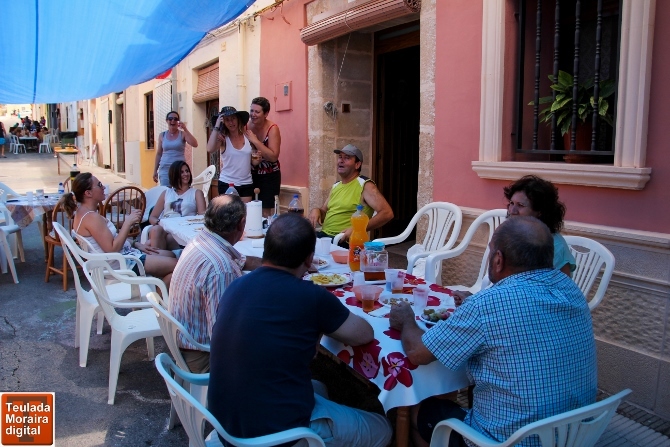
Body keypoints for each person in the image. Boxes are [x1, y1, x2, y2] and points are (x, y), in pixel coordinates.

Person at [389, 217, 597, 447]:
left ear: (498, 260)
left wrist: (407, 319)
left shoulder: (489, 304)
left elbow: (417, 353)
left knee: (418, 410)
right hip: (575, 435)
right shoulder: (571, 289)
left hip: (505, 442)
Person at [208, 213, 393, 446]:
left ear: (266, 249)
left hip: (224, 423)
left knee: (319, 387)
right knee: (384, 429)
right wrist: (320, 324)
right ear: (309, 259)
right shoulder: (311, 296)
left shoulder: (236, 285)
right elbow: (364, 334)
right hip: (277, 436)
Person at [168, 194, 262, 373]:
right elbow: (224, 338)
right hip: (202, 358)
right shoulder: (222, 270)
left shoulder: (202, 240)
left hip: (184, 344)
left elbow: (241, 260)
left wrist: (280, 265)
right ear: (242, 223)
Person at [453, 175, 577, 305]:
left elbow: (552, 297)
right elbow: (505, 286)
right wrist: (474, 300)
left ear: (540, 211)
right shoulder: (516, 236)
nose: (512, 210)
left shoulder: (553, 245)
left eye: (520, 205)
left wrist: (478, 303)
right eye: (511, 203)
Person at [62, 173, 178, 287]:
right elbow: (112, 249)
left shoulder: (83, 213)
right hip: (122, 265)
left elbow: (110, 239)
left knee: (171, 255)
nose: (103, 187)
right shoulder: (91, 218)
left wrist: (136, 243)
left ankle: (157, 288)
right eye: (99, 185)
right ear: (88, 193)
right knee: (178, 266)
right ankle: (156, 294)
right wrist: (128, 222)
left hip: (120, 258)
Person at [309, 144, 393, 247]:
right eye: (340, 157)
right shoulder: (336, 186)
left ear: (357, 164)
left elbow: (387, 213)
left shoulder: (365, 185)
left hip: (344, 241)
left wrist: (358, 229)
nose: (341, 160)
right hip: (324, 237)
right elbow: (324, 212)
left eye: (347, 158)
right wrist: (316, 210)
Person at [147, 161, 206, 251]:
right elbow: (152, 217)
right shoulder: (166, 193)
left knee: (160, 240)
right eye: (182, 172)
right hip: (165, 228)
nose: (186, 174)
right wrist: (160, 223)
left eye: (187, 171)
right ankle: (159, 256)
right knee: (156, 230)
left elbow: (202, 216)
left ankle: (155, 255)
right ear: (174, 175)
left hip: (182, 229)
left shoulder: (196, 193)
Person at [207, 106, 258, 201]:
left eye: (233, 118)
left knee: (245, 210)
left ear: (238, 119)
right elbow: (210, 148)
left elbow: (252, 161)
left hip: (246, 183)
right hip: (227, 183)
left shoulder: (247, 136)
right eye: (227, 120)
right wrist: (217, 126)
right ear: (223, 122)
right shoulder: (223, 138)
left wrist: (257, 160)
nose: (231, 122)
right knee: (229, 210)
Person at [246, 97, 281, 217]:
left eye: (257, 112)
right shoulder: (246, 127)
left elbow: (273, 157)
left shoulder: (273, 128)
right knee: (249, 210)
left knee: (265, 212)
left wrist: (255, 141)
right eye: (251, 110)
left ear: (266, 114)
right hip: (250, 174)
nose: (253, 114)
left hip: (269, 175)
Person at [153, 111, 198, 186]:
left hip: (179, 169)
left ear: (178, 121)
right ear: (167, 121)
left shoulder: (182, 134)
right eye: (170, 119)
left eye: (175, 119)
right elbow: (159, 154)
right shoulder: (162, 135)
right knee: (166, 191)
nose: (173, 121)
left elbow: (195, 144)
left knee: (179, 190)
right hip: (165, 169)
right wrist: (155, 171)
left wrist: (185, 129)